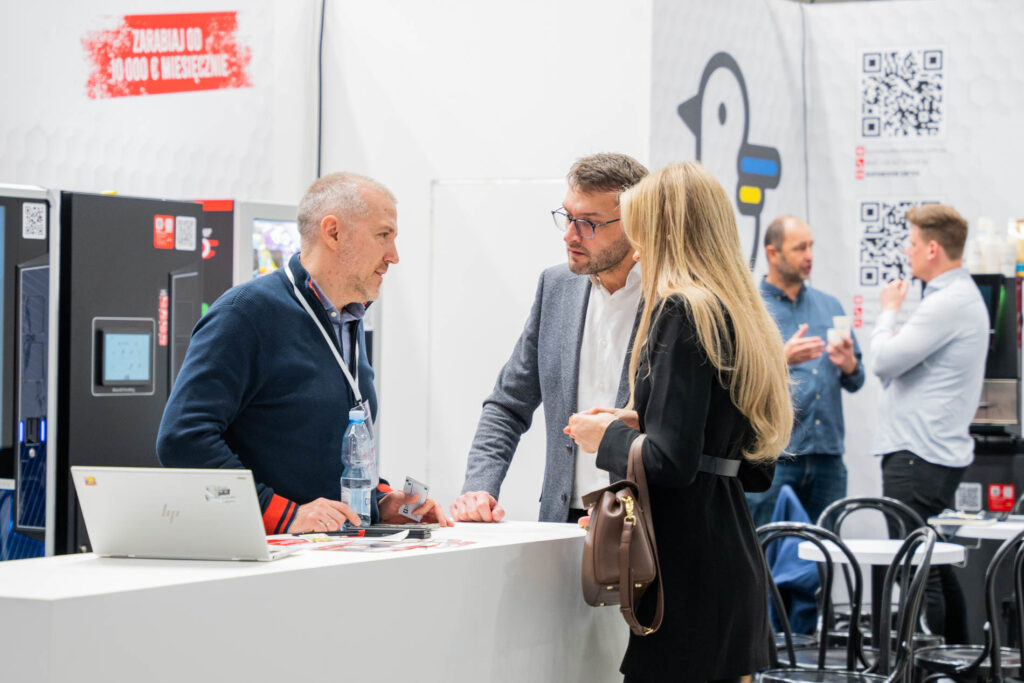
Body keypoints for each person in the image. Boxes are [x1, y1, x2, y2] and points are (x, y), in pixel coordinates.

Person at [567, 162, 792, 682]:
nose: (636, 247)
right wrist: (647, 418)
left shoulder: (680, 310)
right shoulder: (741, 315)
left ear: (663, 230)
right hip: (731, 561)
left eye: (641, 229)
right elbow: (755, 467)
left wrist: (608, 436)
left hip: (685, 576)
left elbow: (672, 462)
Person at [157, 172, 449, 533]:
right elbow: (183, 440)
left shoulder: (349, 319)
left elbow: (316, 454)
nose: (394, 256)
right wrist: (282, 514)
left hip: (330, 552)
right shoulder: (245, 314)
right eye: (383, 235)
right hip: (264, 555)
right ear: (333, 232)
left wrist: (379, 501)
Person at [450, 153, 649, 524]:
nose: (569, 235)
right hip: (563, 518)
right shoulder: (557, 287)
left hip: (642, 521)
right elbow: (508, 404)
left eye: (588, 223)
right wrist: (479, 487)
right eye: (567, 217)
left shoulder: (671, 299)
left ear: (636, 223)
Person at [872, 203, 987, 641]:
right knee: (935, 563)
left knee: (918, 568)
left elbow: (884, 361)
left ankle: (929, 663)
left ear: (933, 249)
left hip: (916, 456)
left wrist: (888, 311)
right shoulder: (957, 298)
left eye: (913, 243)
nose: (908, 251)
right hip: (928, 454)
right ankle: (956, 660)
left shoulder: (948, 303)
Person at [745, 216, 865, 526]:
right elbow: (735, 380)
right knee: (767, 546)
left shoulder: (830, 306)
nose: (809, 255)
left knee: (825, 548)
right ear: (773, 254)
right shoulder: (750, 308)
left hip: (828, 458)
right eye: (800, 248)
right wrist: (781, 360)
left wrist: (849, 365)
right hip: (774, 457)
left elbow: (857, 379)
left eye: (811, 246)